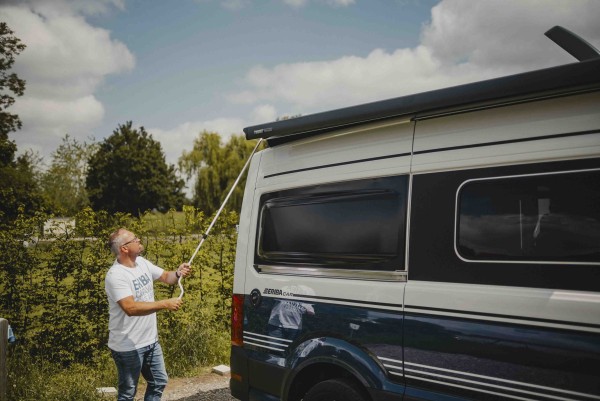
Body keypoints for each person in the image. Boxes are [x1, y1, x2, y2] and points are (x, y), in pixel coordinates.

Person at [105, 228, 191, 401]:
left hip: (150, 341)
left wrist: (178, 273)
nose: (139, 240)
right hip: (127, 346)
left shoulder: (142, 263)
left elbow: (167, 277)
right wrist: (165, 303)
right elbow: (130, 308)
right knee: (128, 393)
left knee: (159, 382)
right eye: (134, 239)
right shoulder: (116, 275)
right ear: (124, 248)